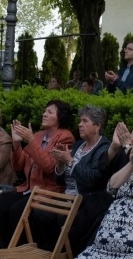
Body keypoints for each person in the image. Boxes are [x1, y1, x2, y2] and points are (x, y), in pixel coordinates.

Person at [0, 100, 75, 245]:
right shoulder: (38, 135)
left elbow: (49, 166)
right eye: (45, 110)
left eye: (50, 112)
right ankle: (8, 247)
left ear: (60, 117)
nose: (44, 114)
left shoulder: (65, 137)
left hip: (46, 191)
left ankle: (23, 251)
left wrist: (30, 141)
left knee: (17, 210)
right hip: (28, 188)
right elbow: (18, 166)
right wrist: (16, 143)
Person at [38, 105, 111, 251]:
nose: (79, 124)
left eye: (85, 121)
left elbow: (93, 179)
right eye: (80, 120)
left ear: (97, 126)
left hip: (84, 201)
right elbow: (59, 180)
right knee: (40, 213)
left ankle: (63, 254)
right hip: (67, 197)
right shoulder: (78, 144)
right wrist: (60, 163)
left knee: (61, 219)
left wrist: (70, 161)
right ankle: (48, 252)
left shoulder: (103, 148)